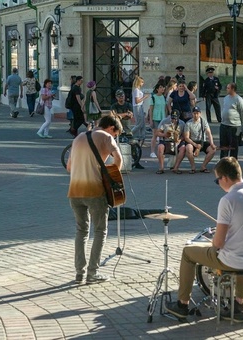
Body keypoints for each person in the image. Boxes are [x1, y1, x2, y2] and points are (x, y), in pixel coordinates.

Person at [165, 157, 243, 322]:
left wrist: (213, 242)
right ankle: (238, 307)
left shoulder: (228, 200)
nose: (218, 184)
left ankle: (182, 305)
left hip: (236, 260)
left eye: (217, 180)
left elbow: (219, 243)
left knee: (188, 252)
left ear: (225, 178)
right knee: (241, 252)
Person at [66, 114, 123, 284]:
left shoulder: (78, 138)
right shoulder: (106, 137)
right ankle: (93, 272)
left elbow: (69, 167)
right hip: (95, 191)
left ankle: (79, 272)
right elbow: (119, 159)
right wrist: (113, 177)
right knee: (100, 230)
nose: (114, 137)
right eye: (116, 134)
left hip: (74, 191)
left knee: (81, 231)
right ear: (111, 128)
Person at [183, 106, 217, 173]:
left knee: (213, 150)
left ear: (200, 114)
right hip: (192, 141)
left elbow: (209, 133)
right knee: (188, 148)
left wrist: (212, 143)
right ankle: (193, 167)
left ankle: (203, 166)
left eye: (197, 113)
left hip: (202, 142)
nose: (196, 115)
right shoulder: (188, 123)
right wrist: (195, 144)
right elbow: (186, 137)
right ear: (192, 114)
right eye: (194, 113)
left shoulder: (203, 122)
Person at [220, 82, 243, 160]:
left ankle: (233, 162)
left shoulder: (239, 99)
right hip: (224, 125)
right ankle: (223, 161)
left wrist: (239, 124)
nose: (226, 89)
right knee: (224, 145)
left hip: (234, 126)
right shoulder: (226, 98)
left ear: (233, 89)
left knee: (233, 146)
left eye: (228, 88)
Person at [155, 110, 186, 174]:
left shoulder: (182, 123)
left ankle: (176, 168)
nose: (173, 120)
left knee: (183, 148)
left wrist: (179, 139)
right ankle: (161, 168)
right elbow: (157, 132)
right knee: (160, 147)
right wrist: (164, 134)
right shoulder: (164, 121)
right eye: (172, 118)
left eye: (175, 119)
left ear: (178, 117)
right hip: (166, 140)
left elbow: (184, 135)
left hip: (176, 141)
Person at [148, 83, 167, 158]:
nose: (162, 89)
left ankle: (162, 151)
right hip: (156, 118)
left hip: (163, 118)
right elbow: (151, 109)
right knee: (155, 135)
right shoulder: (153, 97)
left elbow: (165, 108)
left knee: (163, 135)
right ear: (157, 89)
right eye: (161, 87)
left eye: (163, 87)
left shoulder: (164, 97)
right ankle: (152, 151)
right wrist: (151, 120)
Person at [132, 75, 150, 145]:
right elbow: (137, 101)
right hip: (137, 107)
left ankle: (142, 137)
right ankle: (131, 133)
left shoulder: (138, 90)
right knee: (139, 123)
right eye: (142, 82)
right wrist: (144, 97)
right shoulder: (136, 90)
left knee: (142, 123)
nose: (143, 84)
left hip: (140, 106)